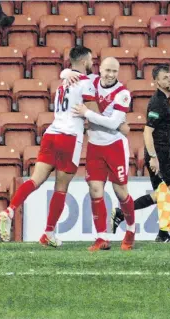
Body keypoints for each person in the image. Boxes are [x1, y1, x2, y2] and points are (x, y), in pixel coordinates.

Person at [0, 46, 96, 245]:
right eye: (91, 60)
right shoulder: (85, 83)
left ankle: (10, 210)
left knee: (36, 179)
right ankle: (48, 233)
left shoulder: (63, 82)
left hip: (51, 133)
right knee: (61, 187)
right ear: (85, 61)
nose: (92, 63)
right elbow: (93, 114)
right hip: (69, 137)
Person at [111, 64, 170, 243]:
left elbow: (162, 126)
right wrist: (153, 157)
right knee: (168, 193)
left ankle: (160, 232)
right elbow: (147, 131)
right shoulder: (157, 102)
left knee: (169, 193)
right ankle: (158, 231)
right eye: (165, 78)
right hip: (159, 153)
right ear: (157, 82)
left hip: (164, 152)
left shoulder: (165, 100)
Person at [69, 57, 135, 251]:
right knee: (95, 190)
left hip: (114, 146)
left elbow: (114, 124)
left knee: (120, 192)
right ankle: (102, 237)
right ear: (100, 70)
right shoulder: (91, 81)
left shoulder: (122, 93)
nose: (110, 75)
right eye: (107, 70)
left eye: (114, 71)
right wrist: (67, 73)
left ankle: (130, 230)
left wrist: (87, 114)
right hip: (95, 146)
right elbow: (67, 74)